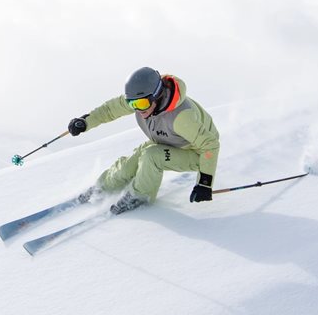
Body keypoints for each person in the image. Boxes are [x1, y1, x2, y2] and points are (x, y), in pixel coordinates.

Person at [67, 67, 220, 215]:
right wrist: (85, 122)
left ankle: (139, 196)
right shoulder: (142, 101)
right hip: (166, 141)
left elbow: (210, 145)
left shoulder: (181, 117)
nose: (139, 109)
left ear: (157, 95)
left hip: (195, 153)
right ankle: (103, 187)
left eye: (142, 104)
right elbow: (110, 110)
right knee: (128, 165)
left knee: (151, 156)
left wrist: (204, 184)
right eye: (133, 104)